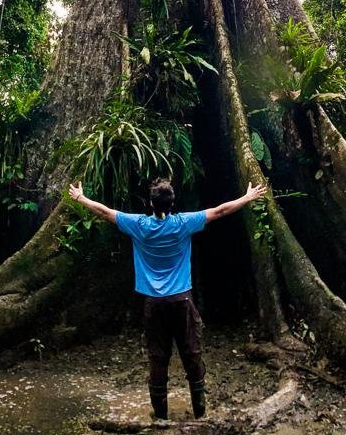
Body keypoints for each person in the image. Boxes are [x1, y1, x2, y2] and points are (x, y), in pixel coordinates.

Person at [68, 177, 268, 420]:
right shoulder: (183, 223)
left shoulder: (139, 225)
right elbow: (220, 211)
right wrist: (247, 198)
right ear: (172, 204)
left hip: (154, 303)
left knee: (158, 356)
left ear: (151, 205)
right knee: (191, 352)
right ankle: (200, 412)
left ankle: (161, 417)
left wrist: (81, 198)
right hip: (182, 301)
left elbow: (106, 213)